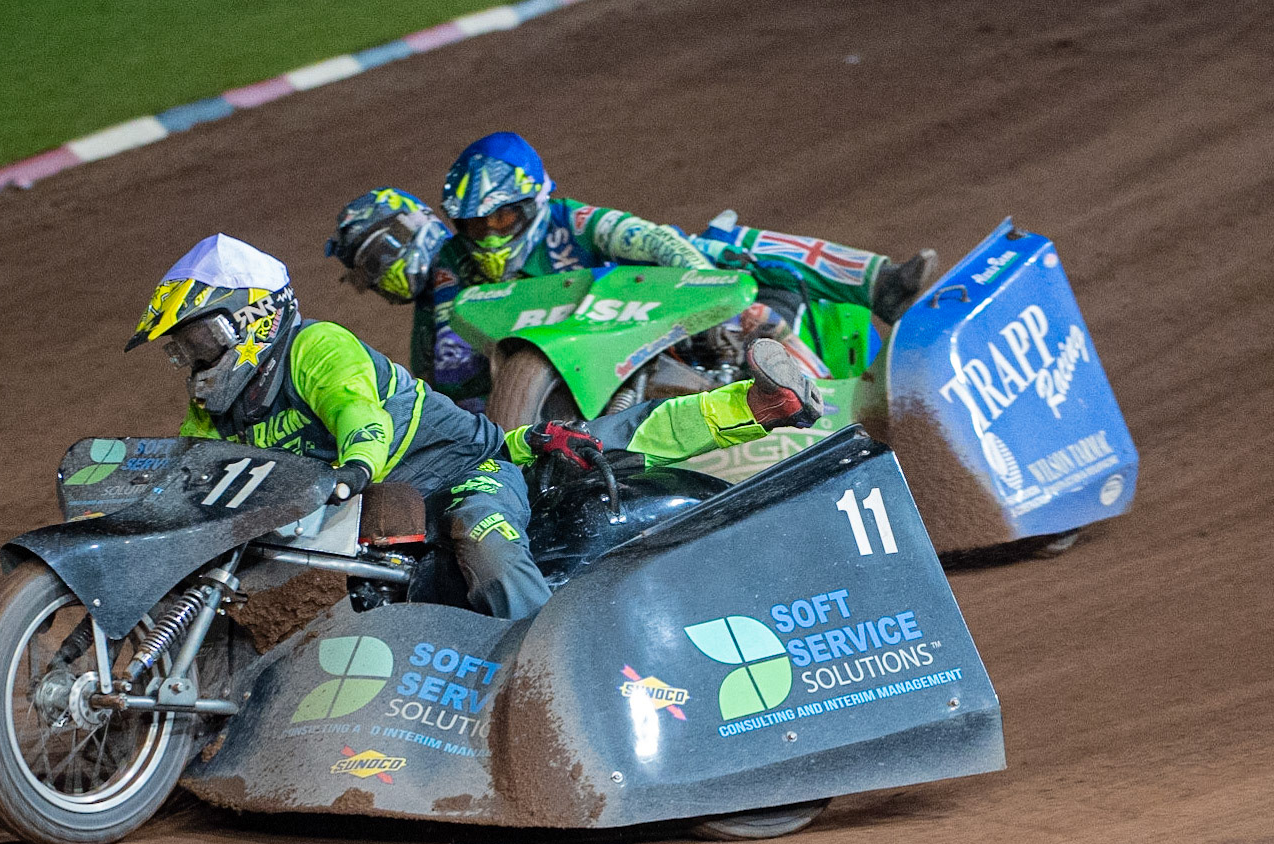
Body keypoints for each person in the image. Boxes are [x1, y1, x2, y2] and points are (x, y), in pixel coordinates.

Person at [129, 233, 824, 621]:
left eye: (202, 337)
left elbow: (358, 415)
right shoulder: (218, 404)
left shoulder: (316, 346)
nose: (196, 359)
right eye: (183, 348)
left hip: (463, 469)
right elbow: (198, 467)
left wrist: (354, 469)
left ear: (253, 316)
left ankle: (543, 662)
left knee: (491, 533)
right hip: (371, 509)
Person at [325, 133, 936, 408]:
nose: (488, 235)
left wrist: (717, 300)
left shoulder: (573, 219)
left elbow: (653, 240)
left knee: (724, 246)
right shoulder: (448, 286)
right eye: (474, 224)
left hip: (648, 324)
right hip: (556, 385)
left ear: (533, 202)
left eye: (502, 218)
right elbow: (448, 385)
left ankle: (874, 296)